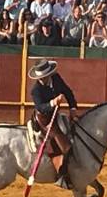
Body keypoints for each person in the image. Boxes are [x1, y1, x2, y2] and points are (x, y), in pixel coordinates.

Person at [28, 59, 78, 188]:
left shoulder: (56, 78)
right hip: (45, 119)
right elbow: (40, 107)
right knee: (65, 148)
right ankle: (62, 177)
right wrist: (53, 102)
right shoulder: (36, 90)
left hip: (56, 115)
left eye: (45, 77)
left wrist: (72, 108)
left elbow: (67, 91)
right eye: (41, 78)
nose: (43, 80)